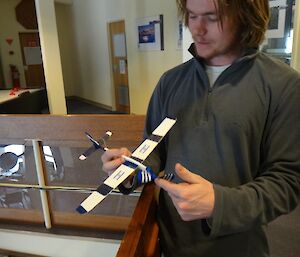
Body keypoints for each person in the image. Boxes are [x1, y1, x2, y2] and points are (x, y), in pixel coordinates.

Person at [101, 0, 300, 256]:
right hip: (173, 242)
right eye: (192, 16)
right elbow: (153, 151)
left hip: (239, 246)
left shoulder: (284, 86)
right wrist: (130, 171)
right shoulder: (170, 82)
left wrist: (220, 204)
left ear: (246, 16)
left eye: (212, 17)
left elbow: (288, 181)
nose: (198, 29)